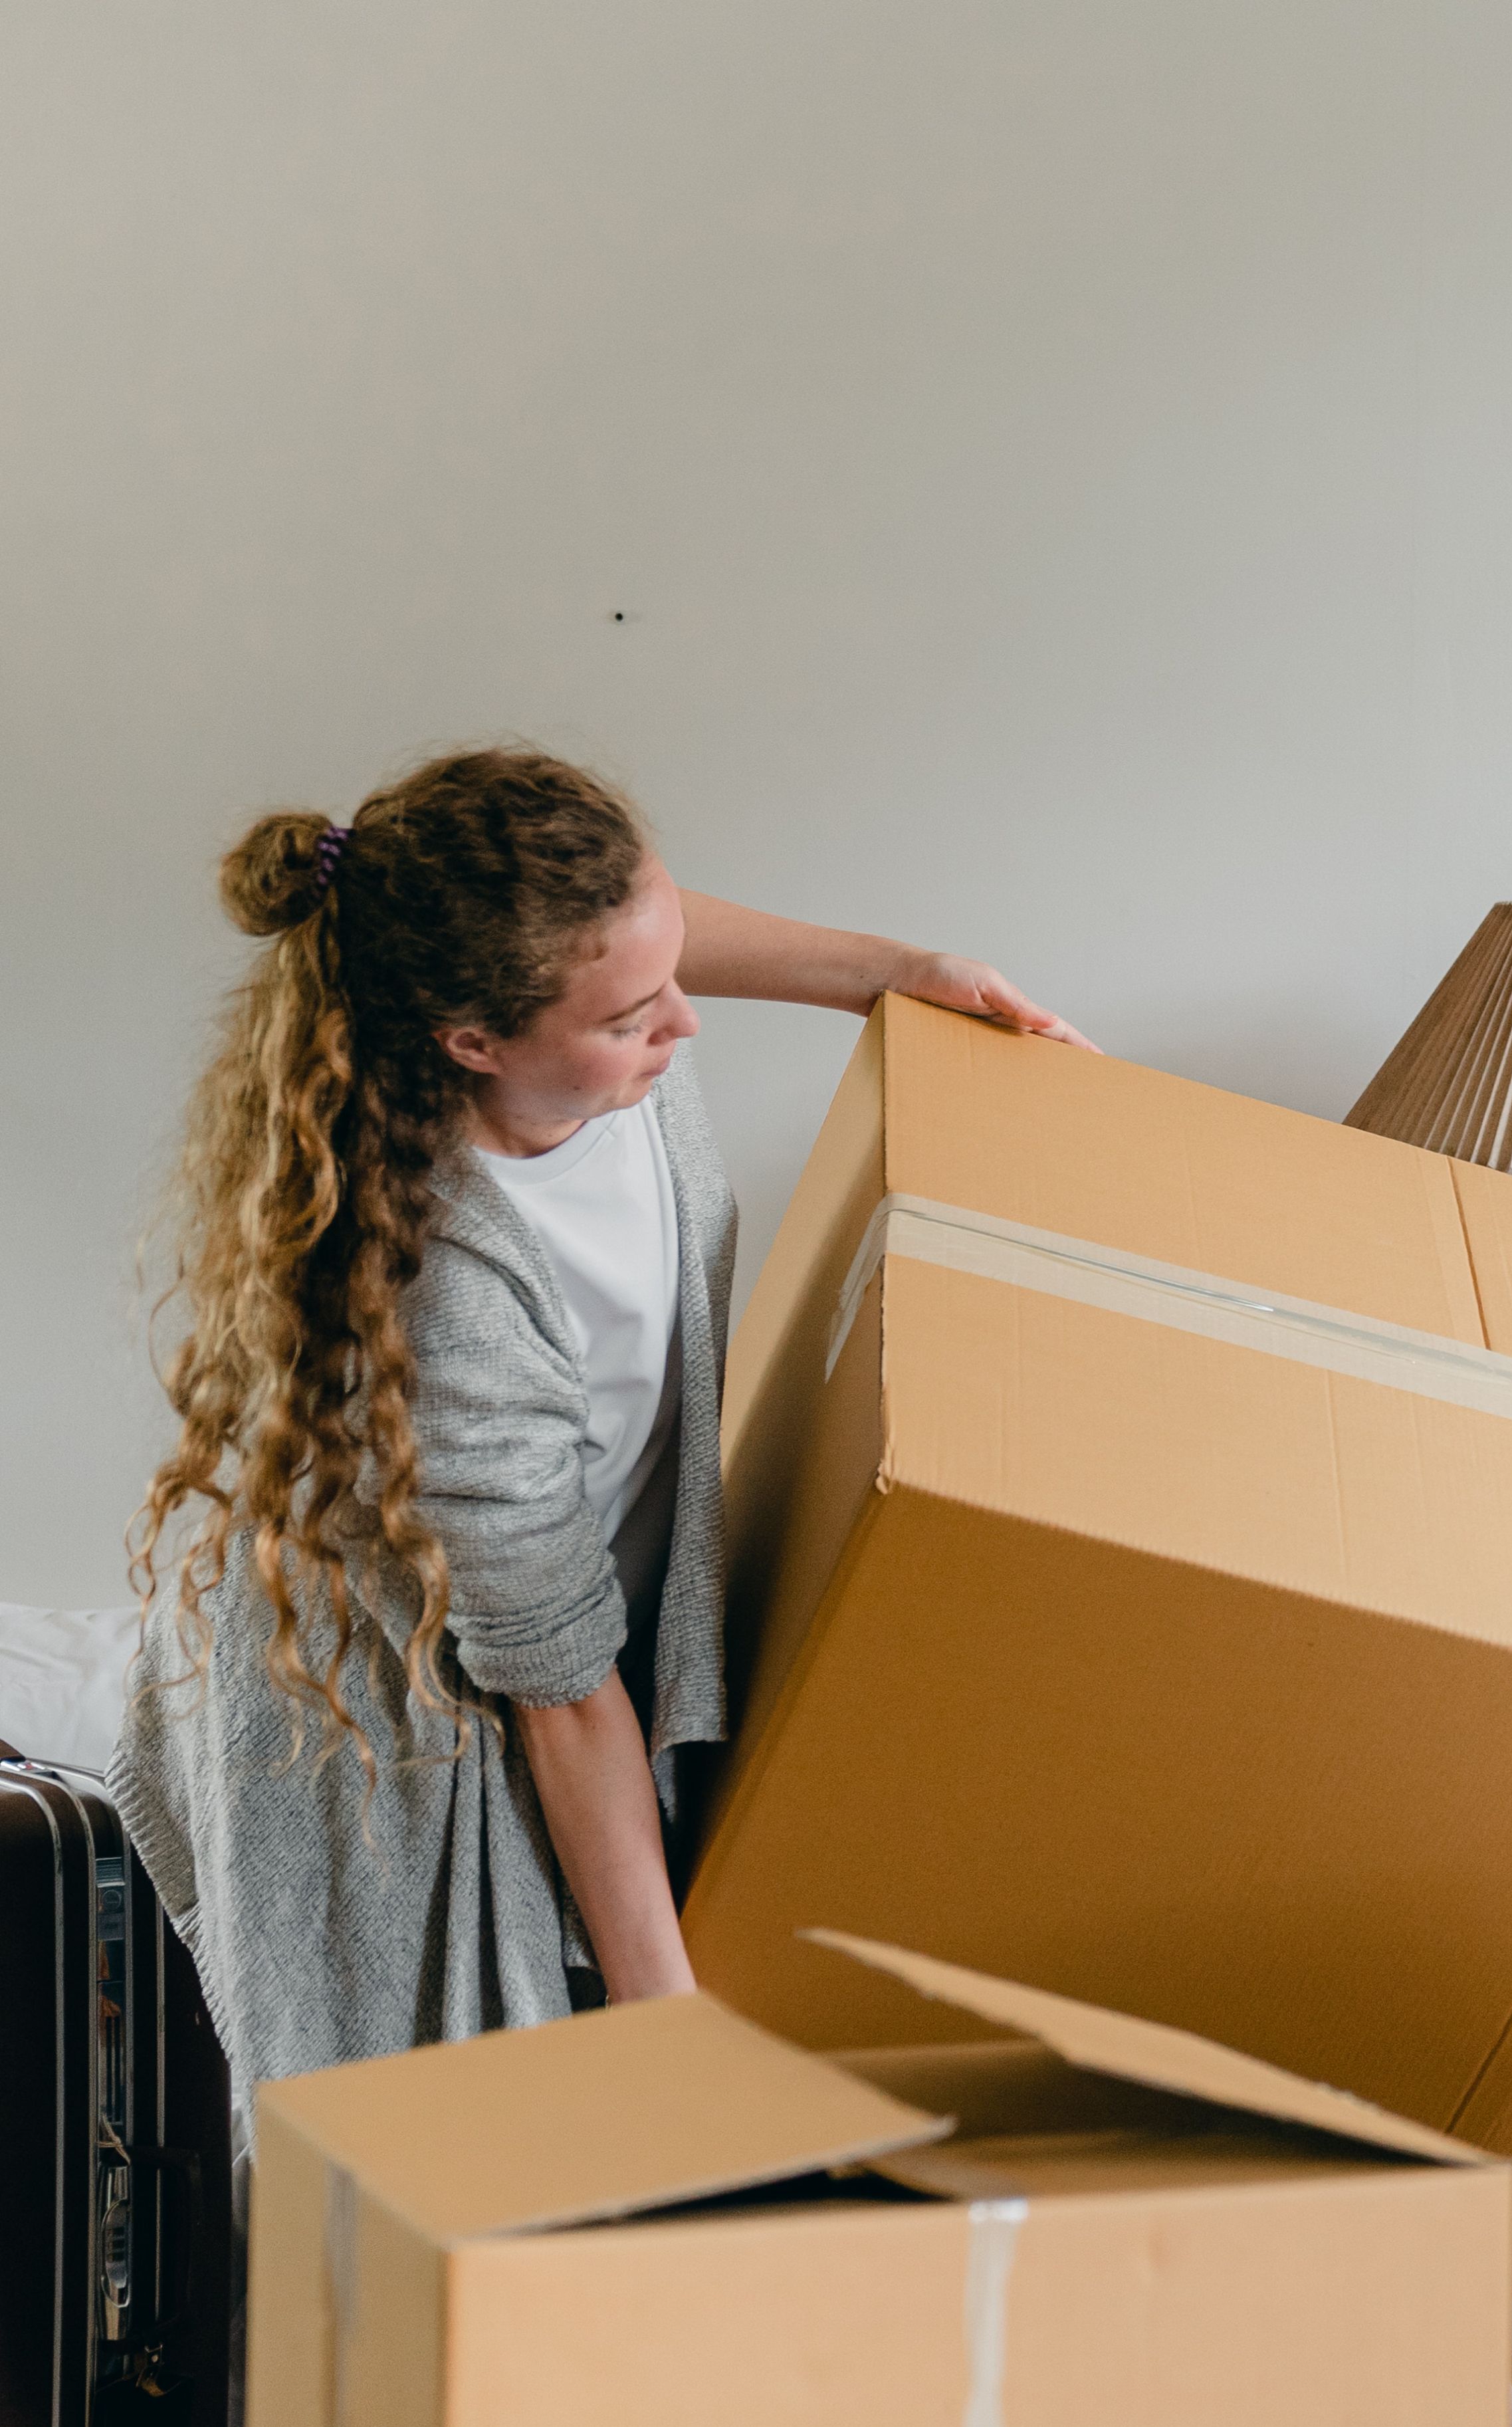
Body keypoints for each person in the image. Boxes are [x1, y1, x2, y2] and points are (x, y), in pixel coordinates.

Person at [114, 747, 1087, 2109]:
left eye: (669, 972)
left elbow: (649, 929)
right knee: (462, 2146)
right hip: (387, 1730)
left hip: (553, 1638)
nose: (683, 1027)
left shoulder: (591, 1044)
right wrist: (661, 2022)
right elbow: (564, 1695)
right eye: (636, 1013)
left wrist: (905, 966)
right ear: (475, 1039)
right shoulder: (443, 1295)